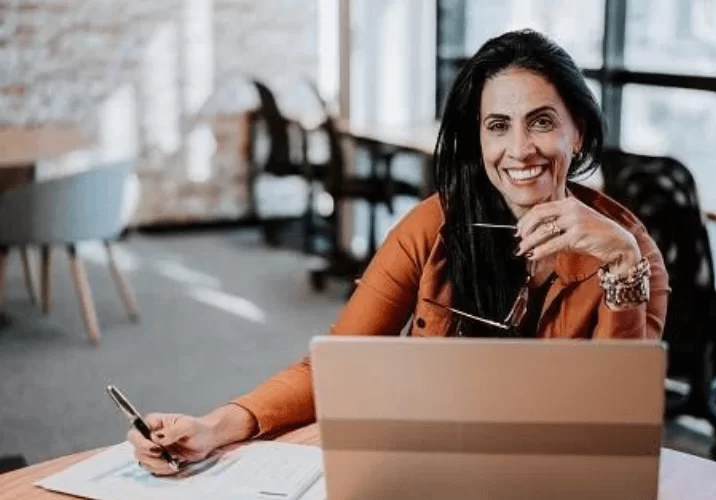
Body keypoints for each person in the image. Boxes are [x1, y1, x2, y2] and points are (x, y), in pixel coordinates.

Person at [129, 29, 669, 475]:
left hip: (560, 480)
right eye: (497, 126)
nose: (520, 149)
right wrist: (215, 427)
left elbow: (615, 432)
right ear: (478, 140)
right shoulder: (434, 226)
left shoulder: (628, 250)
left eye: (542, 122)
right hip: (440, 470)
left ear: (578, 131)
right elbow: (332, 367)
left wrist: (621, 267)